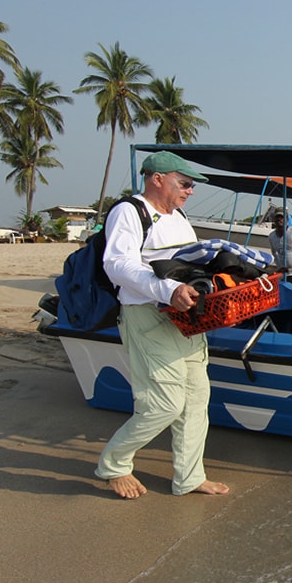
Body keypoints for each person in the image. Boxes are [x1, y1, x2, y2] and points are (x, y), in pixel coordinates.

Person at [96, 151, 230, 499]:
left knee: (197, 399)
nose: (190, 190)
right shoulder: (131, 211)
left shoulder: (179, 217)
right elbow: (118, 265)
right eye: (184, 183)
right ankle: (114, 465)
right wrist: (167, 290)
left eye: (192, 185)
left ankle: (189, 477)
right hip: (148, 317)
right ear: (157, 178)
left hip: (185, 319)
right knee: (164, 403)